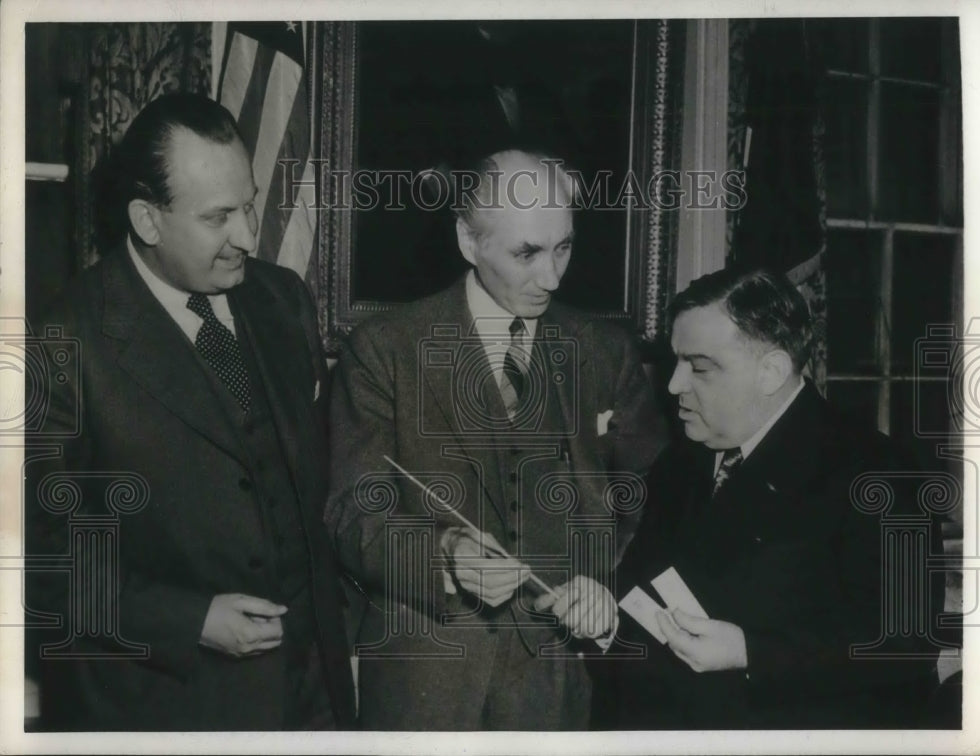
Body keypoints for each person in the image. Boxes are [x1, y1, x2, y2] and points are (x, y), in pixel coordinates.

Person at [25, 93, 355, 730]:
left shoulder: (284, 299)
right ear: (148, 221)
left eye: (251, 204)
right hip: (162, 708)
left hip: (310, 701)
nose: (247, 235)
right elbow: (33, 560)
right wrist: (189, 620)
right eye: (218, 217)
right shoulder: (62, 339)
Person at [326, 149, 667, 730]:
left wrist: (602, 586)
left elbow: (652, 500)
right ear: (468, 241)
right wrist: (446, 557)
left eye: (564, 247)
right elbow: (354, 516)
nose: (553, 277)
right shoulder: (383, 350)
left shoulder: (606, 351)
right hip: (425, 684)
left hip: (559, 685)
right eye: (527, 253)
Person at [592, 267, 944, 729]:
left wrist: (749, 651)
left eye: (699, 367)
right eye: (676, 362)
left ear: (771, 372)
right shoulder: (680, 464)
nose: (674, 385)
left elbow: (906, 644)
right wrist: (600, 612)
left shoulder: (879, 471)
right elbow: (643, 593)